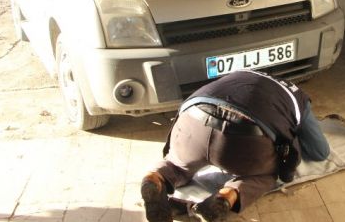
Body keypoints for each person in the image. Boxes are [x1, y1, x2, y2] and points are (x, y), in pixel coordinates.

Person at [141, 70, 330, 222]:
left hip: (192, 122)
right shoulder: (298, 97)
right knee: (265, 175)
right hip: (242, 143)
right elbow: (320, 152)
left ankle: (155, 178)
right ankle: (226, 196)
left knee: (177, 165)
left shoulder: (241, 74)